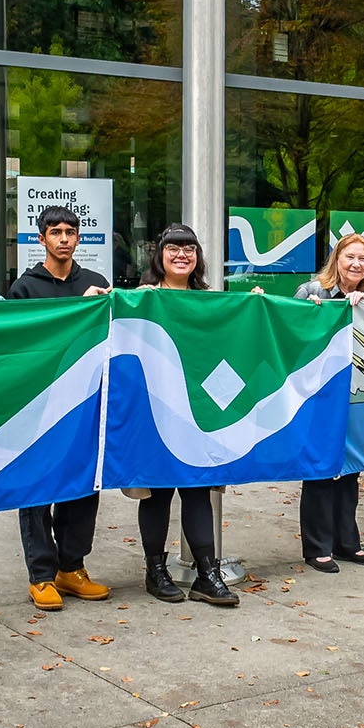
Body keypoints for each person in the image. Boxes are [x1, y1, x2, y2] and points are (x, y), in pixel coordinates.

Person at [7, 205, 113, 611]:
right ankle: (41, 575)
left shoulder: (97, 283)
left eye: (71, 231)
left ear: (79, 238)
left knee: (84, 487)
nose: (64, 238)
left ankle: (72, 568)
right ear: (42, 239)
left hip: (87, 406)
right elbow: (18, 345)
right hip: (38, 407)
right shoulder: (24, 288)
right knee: (36, 489)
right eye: (56, 232)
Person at [134, 223, 239, 605]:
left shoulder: (211, 301)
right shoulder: (144, 298)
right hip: (156, 412)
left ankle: (206, 574)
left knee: (197, 491)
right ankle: (155, 571)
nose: (182, 255)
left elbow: (233, 342)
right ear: (159, 255)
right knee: (157, 493)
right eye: (173, 248)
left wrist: (255, 308)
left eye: (189, 248)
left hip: (198, 415)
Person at [295, 233, 364, 572]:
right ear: (337, 259)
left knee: (350, 470)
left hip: (357, 395)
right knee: (320, 469)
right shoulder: (312, 291)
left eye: (363, 259)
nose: (356, 264)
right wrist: (315, 315)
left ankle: (347, 542)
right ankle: (317, 546)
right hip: (319, 395)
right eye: (350, 257)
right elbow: (294, 337)